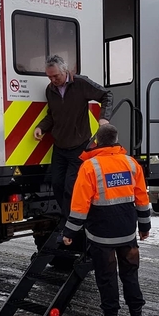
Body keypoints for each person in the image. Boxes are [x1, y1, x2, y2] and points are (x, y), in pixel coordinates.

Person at [61, 125, 150, 316]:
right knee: (130, 276)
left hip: (101, 236)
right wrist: (144, 227)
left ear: (97, 142)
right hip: (127, 234)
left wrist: (70, 231)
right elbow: (141, 198)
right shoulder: (131, 163)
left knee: (107, 279)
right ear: (117, 140)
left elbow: (80, 203)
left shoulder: (90, 166)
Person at [34, 55, 113, 219]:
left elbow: (107, 94)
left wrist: (104, 118)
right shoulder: (50, 90)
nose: (53, 80)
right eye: (49, 77)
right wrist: (41, 127)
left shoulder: (81, 83)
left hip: (79, 146)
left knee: (71, 187)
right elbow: (52, 114)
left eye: (56, 76)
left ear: (65, 71)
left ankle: (70, 224)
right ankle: (71, 220)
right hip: (60, 147)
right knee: (56, 184)